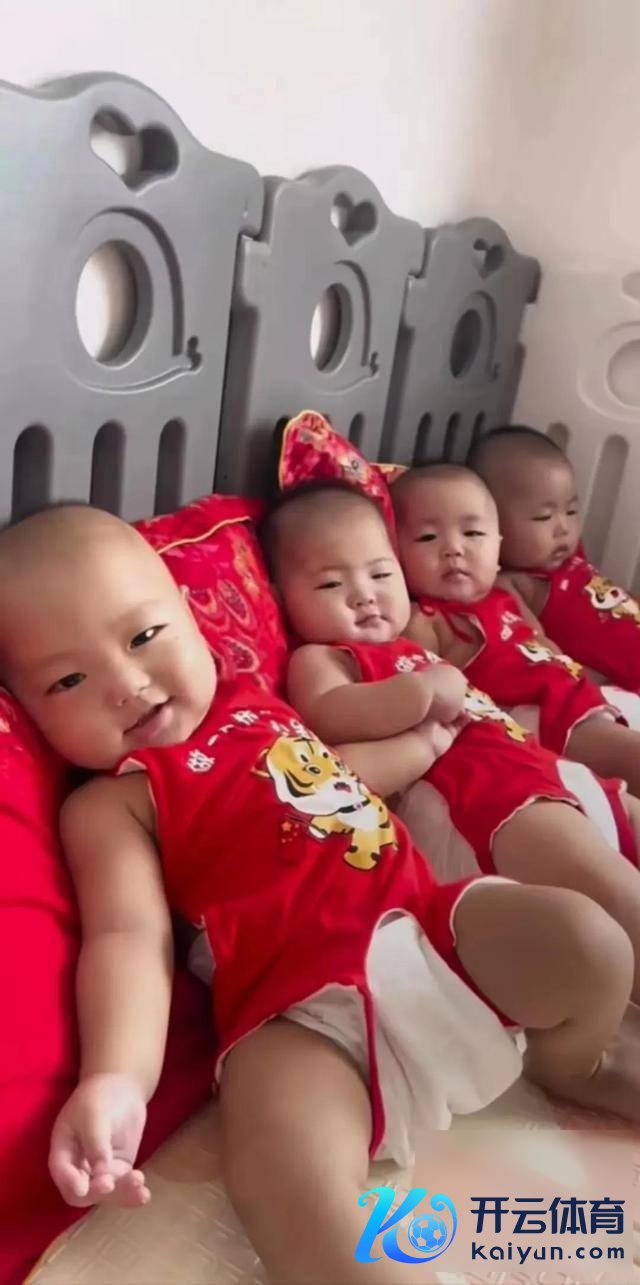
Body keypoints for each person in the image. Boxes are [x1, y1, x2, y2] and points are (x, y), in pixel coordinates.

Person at [1, 505, 639, 1285]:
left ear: (190, 616)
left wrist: (420, 745)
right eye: (67, 681)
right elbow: (129, 939)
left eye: (143, 635)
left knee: (588, 938)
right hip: (294, 1009)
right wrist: (117, 1079)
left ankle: (576, 1061)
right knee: (284, 1175)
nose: (127, 685)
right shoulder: (111, 804)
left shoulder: (257, 701)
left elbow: (332, 780)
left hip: (427, 932)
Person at [392, 462, 640, 798]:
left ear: (498, 545)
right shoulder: (424, 619)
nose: (454, 548)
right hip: (532, 713)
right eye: (427, 537)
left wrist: (586, 679)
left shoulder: (504, 595)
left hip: (572, 692)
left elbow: (542, 643)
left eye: (472, 533)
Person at [469, 424, 640, 694]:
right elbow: (541, 649)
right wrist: (597, 683)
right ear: (490, 523)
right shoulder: (508, 586)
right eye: (544, 517)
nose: (564, 527)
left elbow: (605, 594)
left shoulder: (566, 553)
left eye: (571, 511)